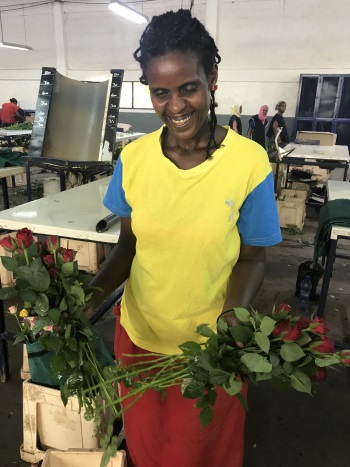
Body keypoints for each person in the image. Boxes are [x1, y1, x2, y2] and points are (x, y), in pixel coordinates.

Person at [90, 9, 281, 467]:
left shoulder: (248, 163)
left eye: (188, 88)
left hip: (209, 351)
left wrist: (234, 318)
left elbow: (252, 257)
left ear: (211, 78)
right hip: (139, 340)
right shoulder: (133, 160)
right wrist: (89, 296)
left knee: (199, 453)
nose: (175, 106)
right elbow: (128, 247)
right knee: (146, 446)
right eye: (160, 92)